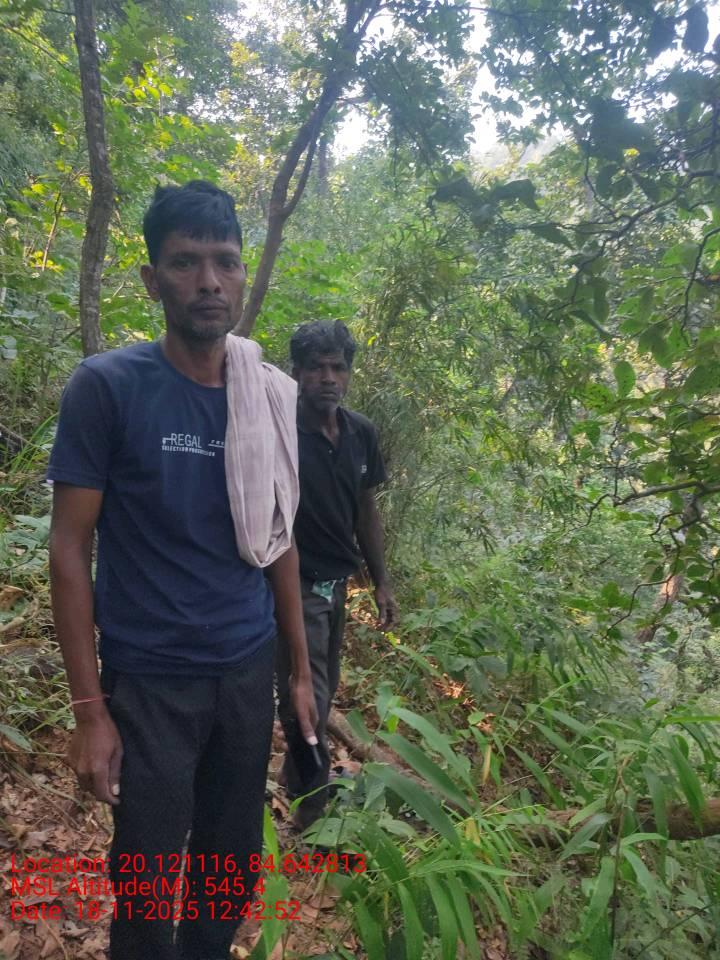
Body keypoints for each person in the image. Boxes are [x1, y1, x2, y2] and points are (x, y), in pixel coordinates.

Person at [47, 180, 317, 960]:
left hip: (245, 669)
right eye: (185, 262)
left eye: (225, 262)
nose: (208, 281)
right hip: (151, 682)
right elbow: (69, 549)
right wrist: (90, 712)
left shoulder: (268, 396)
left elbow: (279, 537)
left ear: (243, 273)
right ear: (151, 279)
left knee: (229, 868)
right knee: (146, 876)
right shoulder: (108, 388)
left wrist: (299, 673)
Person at [276, 320, 398, 831]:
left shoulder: (359, 432)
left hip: (337, 583)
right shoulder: (281, 431)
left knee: (319, 690)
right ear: (297, 372)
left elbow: (365, 508)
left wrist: (381, 580)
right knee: (305, 693)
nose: (328, 377)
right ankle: (312, 807)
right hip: (293, 584)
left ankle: (293, 776)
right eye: (316, 367)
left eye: (338, 367)